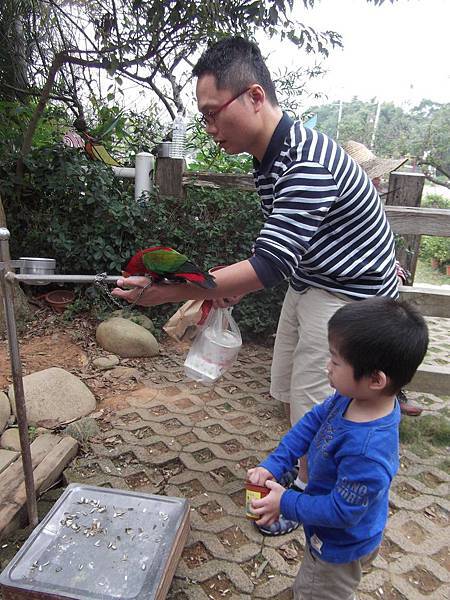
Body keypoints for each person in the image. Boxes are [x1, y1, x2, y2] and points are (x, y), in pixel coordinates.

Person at [113, 37, 399, 535]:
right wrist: (232, 287)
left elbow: (267, 263)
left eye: (210, 113)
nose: (207, 127)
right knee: (289, 388)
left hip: (349, 298)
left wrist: (172, 291)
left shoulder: (306, 162)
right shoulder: (270, 158)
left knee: (318, 399)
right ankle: (294, 473)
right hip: (312, 282)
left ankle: (311, 506)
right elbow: (284, 252)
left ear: (253, 96)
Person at [247, 297, 429, 600]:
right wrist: (275, 463)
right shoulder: (353, 398)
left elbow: (342, 512)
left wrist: (287, 502)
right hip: (327, 532)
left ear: (375, 379)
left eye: (335, 361)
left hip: (338, 549)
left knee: (320, 590)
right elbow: (311, 422)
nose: (326, 366)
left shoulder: (368, 451)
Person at [342, 141, 423, 417]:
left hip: (378, 286)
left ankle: (390, 393)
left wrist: (391, 263)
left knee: (385, 341)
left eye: (377, 175)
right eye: (372, 174)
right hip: (361, 290)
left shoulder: (368, 200)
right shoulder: (346, 204)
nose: (378, 181)